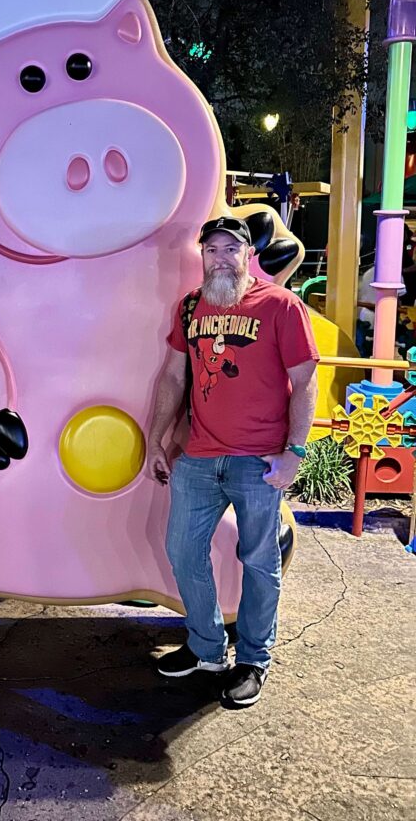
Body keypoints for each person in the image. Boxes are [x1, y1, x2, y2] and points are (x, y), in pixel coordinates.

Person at [148, 216, 319, 708]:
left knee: (259, 562)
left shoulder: (281, 305)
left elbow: (305, 381)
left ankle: (253, 660)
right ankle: (206, 648)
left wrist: (295, 453)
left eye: (231, 249)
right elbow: (174, 378)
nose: (220, 258)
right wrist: (157, 439)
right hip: (200, 456)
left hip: (259, 460)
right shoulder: (190, 309)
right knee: (182, 550)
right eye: (211, 250)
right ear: (201, 257)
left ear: (248, 255)